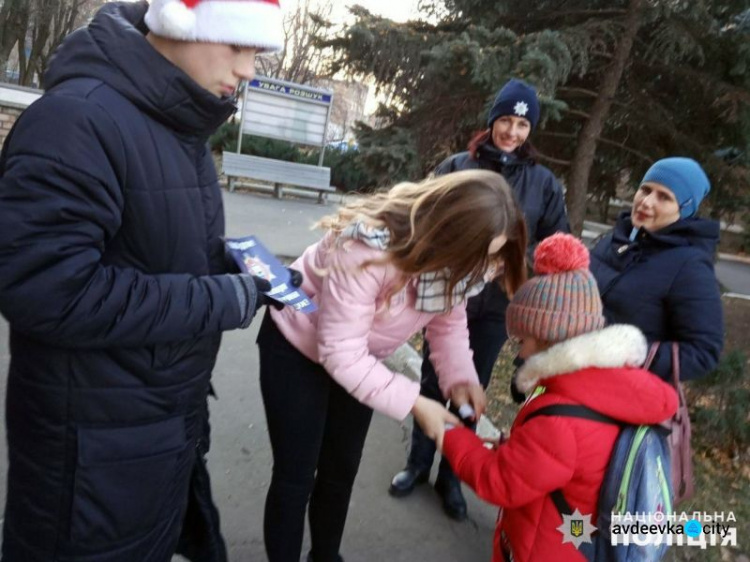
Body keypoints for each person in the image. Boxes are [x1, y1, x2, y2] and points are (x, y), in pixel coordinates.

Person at [0, 1, 284, 560]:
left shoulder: (178, 123)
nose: (249, 68)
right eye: (239, 46)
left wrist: (228, 264)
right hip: (89, 456)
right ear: (184, 25)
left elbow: (147, 249)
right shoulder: (77, 119)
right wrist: (220, 298)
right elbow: (46, 289)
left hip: (152, 436)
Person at [256, 169, 528, 562]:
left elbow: (447, 320)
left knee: (340, 469)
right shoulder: (368, 249)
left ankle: (326, 557)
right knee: (295, 476)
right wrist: (417, 403)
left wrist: (460, 377)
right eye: (480, 257)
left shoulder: (456, 264)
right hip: (298, 348)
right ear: (448, 235)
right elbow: (340, 352)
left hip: (361, 358)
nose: (483, 270)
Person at [426, 233, 678, 562]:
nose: (518, 350)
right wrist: (511, 448)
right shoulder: (608, 385)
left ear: (548, 337)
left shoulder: (559, 419)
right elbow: (556, 466)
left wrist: (446, 432)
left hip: (542, 548)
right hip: (577, 535)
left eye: (522, 339)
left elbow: (499, 481)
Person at [390, 78, 570, 520]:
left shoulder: (543, 183)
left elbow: (554, 242)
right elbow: (422, 218)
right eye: (506, 120)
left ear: (531, 130)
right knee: (434, 380)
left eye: (522, 124)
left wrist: (510, 262)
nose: (512, 131)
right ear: (492, 121)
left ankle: (454, 476)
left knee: (473, 386)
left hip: (495, 308)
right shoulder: (456, 166)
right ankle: (417, 464)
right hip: (445, 297)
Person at [589, 157, 724, 381]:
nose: (647, 202)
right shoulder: (612, 241)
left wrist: (628, 354)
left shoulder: (689, 266)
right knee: (531, 412)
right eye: (645, 190)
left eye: (664, 197)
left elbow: (703, 352)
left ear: (684, 210)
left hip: (616, 395)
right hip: (562, 376)